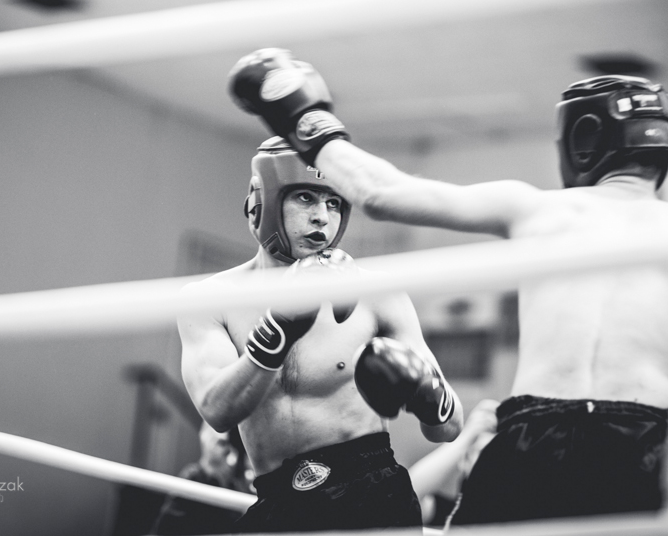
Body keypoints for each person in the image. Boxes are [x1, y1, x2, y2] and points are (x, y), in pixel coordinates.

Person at [227, 48, 668, 523]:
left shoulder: (540, 210)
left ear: (581, 139)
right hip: (645, 443)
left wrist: (303, 115)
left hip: (534, 438)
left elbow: (380, 193)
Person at [177, 135, 464, 533]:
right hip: (278, 500)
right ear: (263, 202)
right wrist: (278, 329)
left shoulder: (377, 293)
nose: (322, 218)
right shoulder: (211, 298)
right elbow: (216, 409)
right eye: (305, 198)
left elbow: (448, 428)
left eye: (334, 203)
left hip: (372, 494)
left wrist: (425, 392)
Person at [147, 424, 255, 535]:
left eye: (232, 446)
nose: (229, 453)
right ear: (206, 440)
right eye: (222, 444)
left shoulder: (235, 485)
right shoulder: (193, 478)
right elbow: (165, 528)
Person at [408, 399, 498, 527]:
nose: (488, 462)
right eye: (482, 453)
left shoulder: (509, 507)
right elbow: (406, 496)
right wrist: (467, 436)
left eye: (494, 453)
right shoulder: (447, 511)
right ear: (463, 462)